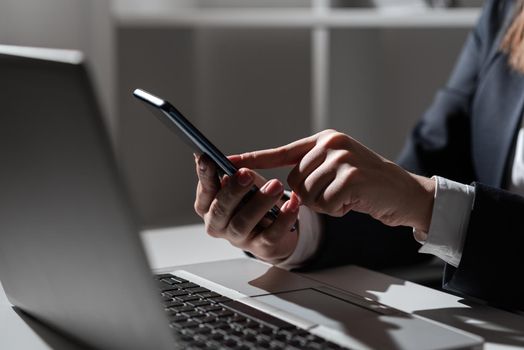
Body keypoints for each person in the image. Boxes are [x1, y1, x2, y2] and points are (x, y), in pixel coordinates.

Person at [193, 0, 524, 312]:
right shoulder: (507, 9)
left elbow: (426, 200)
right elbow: (422, 185)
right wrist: (291, 231)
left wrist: (425, 202)